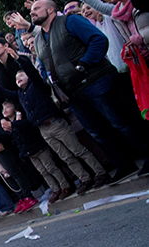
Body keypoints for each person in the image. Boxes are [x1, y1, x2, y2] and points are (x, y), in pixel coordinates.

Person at [10, 0, 149, 179]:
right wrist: (48, 78)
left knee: (122, 121)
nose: (32, 12)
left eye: (37, 8)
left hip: (95, 80)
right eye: (32, 10)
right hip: (72, 93)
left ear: (51, 9)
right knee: (98, 131)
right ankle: (123, 163)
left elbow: (98, 40)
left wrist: (84, 64)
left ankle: (146, 154)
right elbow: (43, 64)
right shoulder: (39, 39)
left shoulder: (71, 21)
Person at [0, 58, 110, 194]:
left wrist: (19, 60)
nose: (18, 79)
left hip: (55, 123)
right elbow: (4, 92)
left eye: (21, 76)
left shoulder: (37, 86)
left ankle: (99, 172)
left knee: (78, 150)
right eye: (16, 79)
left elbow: (33, 73)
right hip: (43, 129)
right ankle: (85, 178)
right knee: (66, 157)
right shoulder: (20, 95)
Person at [0, 99, 75, 201]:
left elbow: (26, 128)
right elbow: (13, 139)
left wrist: (15, 123)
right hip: (29, 152)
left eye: (8, 107)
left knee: (51, 167)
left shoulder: (21, 119)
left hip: (38, 147)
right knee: (43, 171)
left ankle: (65, 185)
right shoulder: (9, 125)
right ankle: (55, 189)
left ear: (15, 109)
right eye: (3, 108)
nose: (5, 110)